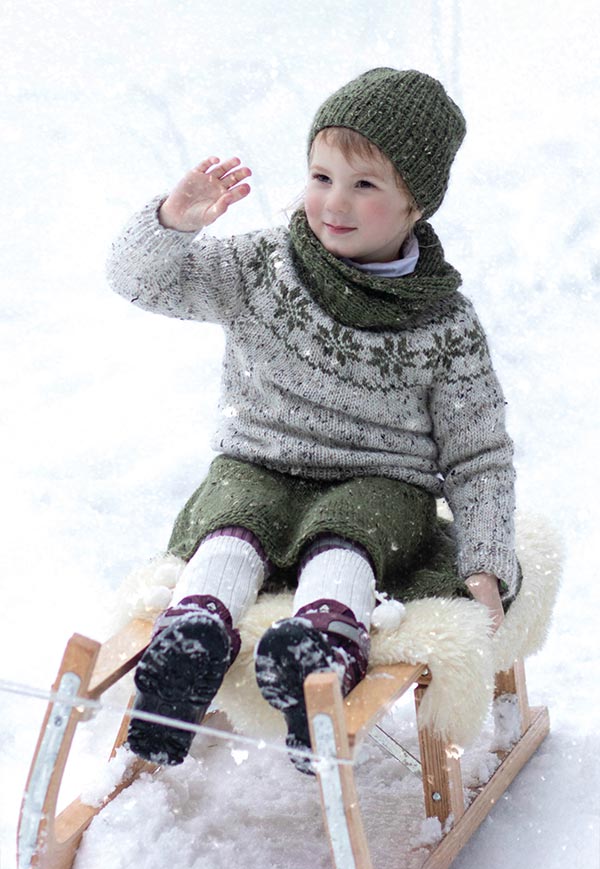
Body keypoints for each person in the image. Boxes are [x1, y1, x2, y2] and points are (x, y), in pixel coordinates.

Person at [106, 67, 518, 774]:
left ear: (416, 205)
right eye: (321, 176)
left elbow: (478, 454)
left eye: (364, 185)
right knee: (235, 509)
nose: (334, 202)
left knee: (354, 527)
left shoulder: (443, 325)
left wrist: (485, 564)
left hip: (381, 482)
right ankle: (194, 634)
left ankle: (318, 654)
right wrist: (171, 223)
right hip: (260, 460)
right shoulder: (263, 266)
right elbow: (141, 281)